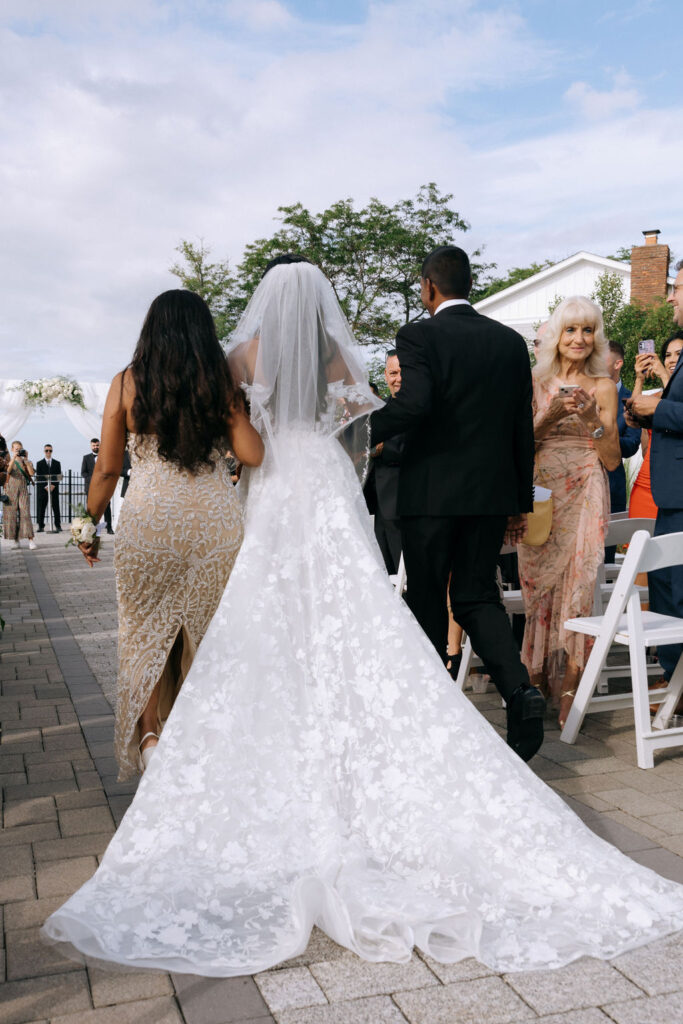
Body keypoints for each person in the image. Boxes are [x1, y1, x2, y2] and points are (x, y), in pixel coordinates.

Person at [43, 261, 683, 978]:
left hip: (273, 486)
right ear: (320, 307)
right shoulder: (339, 355)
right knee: (355, 606)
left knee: (268, 622)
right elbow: (364, 420)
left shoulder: (238, 358)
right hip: (324, 483)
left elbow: (242, 443)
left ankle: (211, 735)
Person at [74, 289, 264, 778]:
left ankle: (151, 735)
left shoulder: (125, 384)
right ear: (203, 333)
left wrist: (86, 523)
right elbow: (252, 454)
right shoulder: (219, 383)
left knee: (144, 632)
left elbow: (107, 470)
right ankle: (208, 744)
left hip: (151, 522)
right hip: (214, 525)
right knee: (210, 633)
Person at [370, 245, 544, 762]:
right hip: (490, 494)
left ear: (428, 287)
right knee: (475, 596)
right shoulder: (510, 342)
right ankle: (520, 692)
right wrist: (519, 499)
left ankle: (431, 713)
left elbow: (416, 403)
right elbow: (520, 425)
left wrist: (363, 429)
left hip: (431, 494)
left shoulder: (419, 335)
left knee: (426, 595)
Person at [517, 297, 620, 728]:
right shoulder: (534, 382)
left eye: (588, 330)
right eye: (571, 330)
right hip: (542, 494)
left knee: (578, 589)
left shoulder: (604, 385)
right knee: (537, 587)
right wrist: (550, 415)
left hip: (587, 490)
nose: (579, 339)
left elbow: (613, 459)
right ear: (556, 336)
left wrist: (595, 418)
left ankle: (571, 687)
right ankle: (535, 677)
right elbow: (518, 446)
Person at [625, 263, 683, 696]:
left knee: (678, 594)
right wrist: (642, 410)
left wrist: (655, 410)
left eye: (676, 288)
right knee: (664, 591)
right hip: (669, 494)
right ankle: (675, 685)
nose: (669, 297)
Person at [628, 333, 683, 520]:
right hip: (646, 481)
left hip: (675, 486)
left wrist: (664, 375)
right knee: (636, 546)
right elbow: (634, 409)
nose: (672, 359)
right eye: (668, 355)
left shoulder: (666, 399)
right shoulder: (653, 398)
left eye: (679, 354)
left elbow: (673, 407)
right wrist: (639, 379)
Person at [363, 349, 404, 574]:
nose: (397, 378)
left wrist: (381, 449)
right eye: (393, 372)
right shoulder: (379, 410)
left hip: (406, 505)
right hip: (379, 505)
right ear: (386, 375)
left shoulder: (421, 407)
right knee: (385, 575)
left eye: (402, 372)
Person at [604, 341, 641, 561]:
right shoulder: (584, 393)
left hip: (611, 487)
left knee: (606, 559)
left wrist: (602, 436)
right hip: (578, 489)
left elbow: (630, 446)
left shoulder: (630, 398)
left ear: (618, 364)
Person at [3, 441, 36, 549]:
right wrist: (14, 458)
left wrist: (26, 460)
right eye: (16, 449)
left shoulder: (26, 461)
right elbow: (8, 470)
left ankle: (31, 540)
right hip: (11, 489)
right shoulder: (8, 461)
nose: (18, 450)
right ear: (12, 450)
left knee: (25, 513)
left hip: (22, 489)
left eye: (20, 448)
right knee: (12, 515)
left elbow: (31, 473)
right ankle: (16, 540)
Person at [81, 439, 113, 534]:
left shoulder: (105, 457)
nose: (95, 447)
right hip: (91, 488)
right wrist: (94, 479)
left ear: (100, 445)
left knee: (107, 507)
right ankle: (92, 529)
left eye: (97, 445)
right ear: (91, 446)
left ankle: (109, 528)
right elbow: (83, 473)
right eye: (94, 445)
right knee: (91, 509)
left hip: (104, 487)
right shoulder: (86, 458)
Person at [35, 444, 62, 532]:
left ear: (52, 451)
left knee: (56, 507)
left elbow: (58, 476)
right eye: (46, 450)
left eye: (50, 450)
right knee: (41, 507)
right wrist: (46, 486)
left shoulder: (57, 463)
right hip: (43, 490)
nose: (48, 452)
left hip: (53, 489)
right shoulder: (39, 463)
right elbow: (39, 476)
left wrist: (53, 485)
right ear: (44, 451)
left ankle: (58, 525)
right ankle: (40, 526)